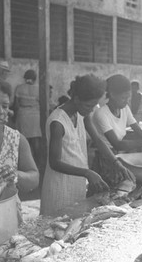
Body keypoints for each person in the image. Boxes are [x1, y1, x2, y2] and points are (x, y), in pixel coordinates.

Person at [41, 74, 134, 216]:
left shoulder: (82, 114)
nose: (91, 110)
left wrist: (116, 162)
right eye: (89, 106)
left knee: (74, 224)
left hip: (77, 182)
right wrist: (87, 172)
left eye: (93, 106)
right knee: (56, 225)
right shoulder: (57, 122)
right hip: (59, 186)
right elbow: (54, 162)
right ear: (77, 99)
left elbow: (97, 139)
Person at [91, 74, 142, 187]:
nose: (126, 101)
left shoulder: (125, 109)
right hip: (105, 159)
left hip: (118, 158)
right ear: (112, 95)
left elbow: (139, 132)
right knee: (104, 193)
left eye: (128, 98)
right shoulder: (101, 114)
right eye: (123, 98)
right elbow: (117, 144)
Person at [14, 70, 42, 165]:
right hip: (35, 115)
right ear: (35, 78)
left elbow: (16, 104)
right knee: (36, 140)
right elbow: (42, 103)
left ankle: (25, 163)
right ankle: (37, 163)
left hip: (23, 114)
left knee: (24, 140)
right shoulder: (39, 89)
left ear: (25, 77)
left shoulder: (19, 88)